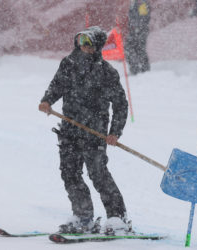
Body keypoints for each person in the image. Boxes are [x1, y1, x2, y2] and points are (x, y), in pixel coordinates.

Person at [38, 26, 130, 234]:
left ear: (97, 46)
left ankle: (118, 219)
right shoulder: (68, 64)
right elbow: (57, 85)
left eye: (88, 43)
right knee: (70, 173)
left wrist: (115, 131)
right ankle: (83, 217)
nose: (83, 47)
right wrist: (47, 100)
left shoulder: (107, 73)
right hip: (69, 130)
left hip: (94, 133)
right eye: (80, 42)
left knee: (98, 174)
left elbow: (120, 105)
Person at [125, 0, 151, 75]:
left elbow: (144, 19)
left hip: (140, 31)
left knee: (139, 49)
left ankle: (143, 69)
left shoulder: (142, 3)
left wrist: (138, 28)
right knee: (131, 49)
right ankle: (136, 68)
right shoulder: (134, 3)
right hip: (134, 31)